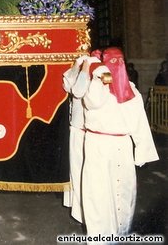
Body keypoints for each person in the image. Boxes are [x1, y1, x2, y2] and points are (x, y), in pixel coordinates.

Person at [81, 47, 159, 241]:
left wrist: (142, 151)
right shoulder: (99, 87)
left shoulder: (130, 90)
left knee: (122, 191)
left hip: (117, 145)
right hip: (99, 145)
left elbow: (140, 122)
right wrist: (103, 76)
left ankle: (120, 234)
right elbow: (92, 101)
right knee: (99, 193)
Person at [62, 51, 101, 223]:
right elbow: (68, 85)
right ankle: (80, 211)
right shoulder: (82, 71)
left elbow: (78, 91)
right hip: (78, 130)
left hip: (96, 133)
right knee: (77, 173)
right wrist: (77, 65)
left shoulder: (101, 73)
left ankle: (92, 212)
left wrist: (87, 68)